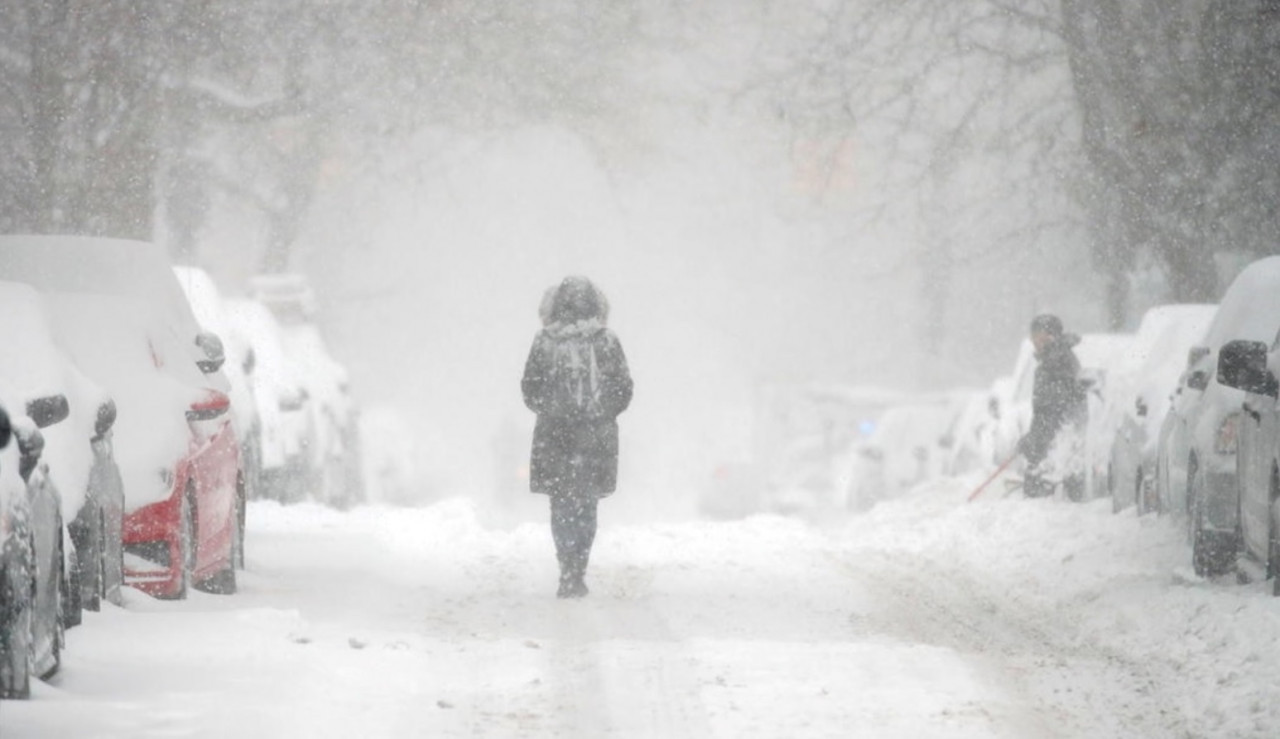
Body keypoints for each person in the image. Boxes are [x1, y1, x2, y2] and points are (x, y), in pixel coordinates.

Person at [521, 277, 632, 598]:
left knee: (561, 505)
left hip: (554, 439)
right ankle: (578, 568)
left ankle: (566, 568)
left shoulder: (544, 342)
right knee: (586, 505)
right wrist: (599, 413)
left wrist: (555, 411)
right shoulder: (607, 342)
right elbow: (623, 390)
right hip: (595, 439)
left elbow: (530, 389)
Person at [1017, 314, 1086, 499]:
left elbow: (1053, 410)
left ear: (1051, 336)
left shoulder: (1056, 363)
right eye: (1032, 336)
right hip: (1055, 448)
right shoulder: (1053, 360)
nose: (1033, 341)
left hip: (1058, 450)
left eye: (1037, 336)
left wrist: (1034, 441)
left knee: (1047, 504)